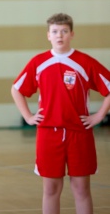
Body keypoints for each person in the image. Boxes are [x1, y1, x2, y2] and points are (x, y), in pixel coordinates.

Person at [11, 12, 110, 214]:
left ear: (72, 34)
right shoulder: (39, 62)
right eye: (55, 31)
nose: (60, 35)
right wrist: (28, 116)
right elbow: (16, 89)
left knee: (81, 189)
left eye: (64, 31)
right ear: (48, 35)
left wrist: (99, 115)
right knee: (51, 190)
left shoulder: (85, 61)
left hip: (79, 133)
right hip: (49, 133)